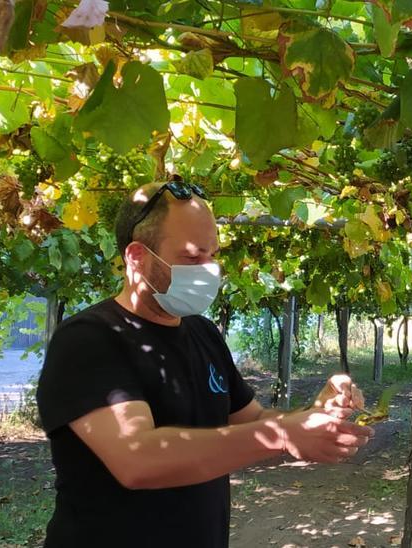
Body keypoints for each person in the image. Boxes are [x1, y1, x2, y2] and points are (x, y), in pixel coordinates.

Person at [35, 181, 374, 546]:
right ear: (137, 257)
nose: (209, 270)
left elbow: (253, 421)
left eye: (213, 255)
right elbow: (138, 459)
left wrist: (312, 415)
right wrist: (284, 435)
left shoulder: (203, 333)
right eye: (194, 258)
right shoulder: (89, 340)